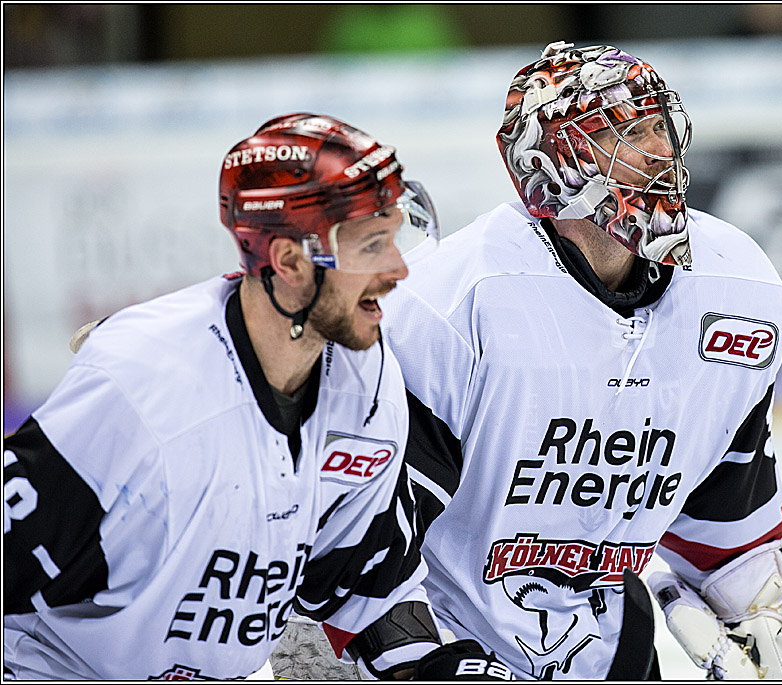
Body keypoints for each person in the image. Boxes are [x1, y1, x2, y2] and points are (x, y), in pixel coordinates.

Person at [379, 42, 782, 679]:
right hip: (449, 641)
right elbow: (365, 548)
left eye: (660, 127)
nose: (661, 152)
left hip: (608, 647)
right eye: (628, 132)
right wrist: (413, 660)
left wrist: (767, 620)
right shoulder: (454, 301)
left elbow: (724, 518)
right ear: (553, 163)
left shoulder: (735, 285)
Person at [2, 113, 486, 680]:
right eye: (372, 245)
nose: (400, 269)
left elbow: (361, 576)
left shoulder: (367, 380)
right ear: (287, 261)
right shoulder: (143, 391)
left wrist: (425, 667)